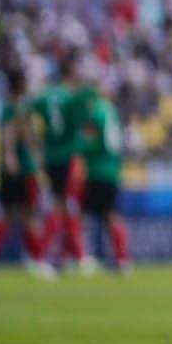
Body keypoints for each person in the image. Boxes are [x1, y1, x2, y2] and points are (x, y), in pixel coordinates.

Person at [0, 66, 53, 278]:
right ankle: (38, 260)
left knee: (8, 214)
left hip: (9, 169)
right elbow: (13, 133)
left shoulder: (7, 107)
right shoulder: (18, 108)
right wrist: (13, 156)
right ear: (20, 85)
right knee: (30, 216)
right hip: (23, 169)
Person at [31, 54, 88, 270]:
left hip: (49, 156)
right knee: (63, 205)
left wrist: (37, 144)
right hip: (68, 156)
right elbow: (80, 127)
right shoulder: (72, 98)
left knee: (63, 205)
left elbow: (27, 111)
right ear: (71, 74)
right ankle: (43, 256)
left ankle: (71, 256)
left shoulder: (44, 95)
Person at [76, 80, 131, 274]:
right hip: (112, 169)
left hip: (96, 170)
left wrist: (79, 149)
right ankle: (122, 258)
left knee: (83, 216)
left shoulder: (96, 111)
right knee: (111, 215)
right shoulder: (112, 111)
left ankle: (81, 256)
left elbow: (93, 139)